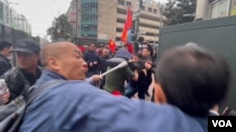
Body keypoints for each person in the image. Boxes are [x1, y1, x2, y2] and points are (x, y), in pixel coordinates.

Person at [19, 42, 230, 132]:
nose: (85, 63)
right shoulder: (67, 95)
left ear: (160, 94)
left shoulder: (60, 92)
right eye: (77, 56)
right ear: (53, 63)